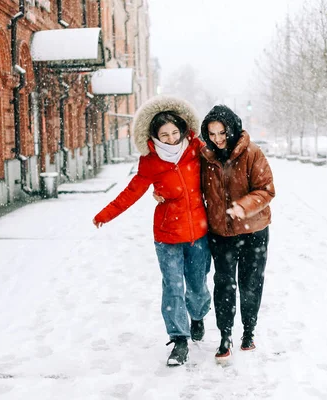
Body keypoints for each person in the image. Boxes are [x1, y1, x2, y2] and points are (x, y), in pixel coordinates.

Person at [92, 95, 211, 367]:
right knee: (172, 287)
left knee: (198, 286)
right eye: (164, 134)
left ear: (183, 131)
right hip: (167, 236)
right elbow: (130, 193)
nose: (170, 139)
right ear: (154, 136)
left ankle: (198, 315)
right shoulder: (150, 162)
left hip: (199, 234)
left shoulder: (198, 150)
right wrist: (105, 215)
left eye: (174, 133)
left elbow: (221, 169)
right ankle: (179, 339)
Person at [199, 105, 275, 362]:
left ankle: (249, 331)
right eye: (212, 134)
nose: (217, 139)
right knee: (223, 285)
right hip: (221, 232)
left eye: (222, 132)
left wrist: (244, 206)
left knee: (250, 283)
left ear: (232, 130)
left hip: (254, 231)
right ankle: (225, 335)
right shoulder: (205, 157)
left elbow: (266, 190)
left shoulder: (252, 153)